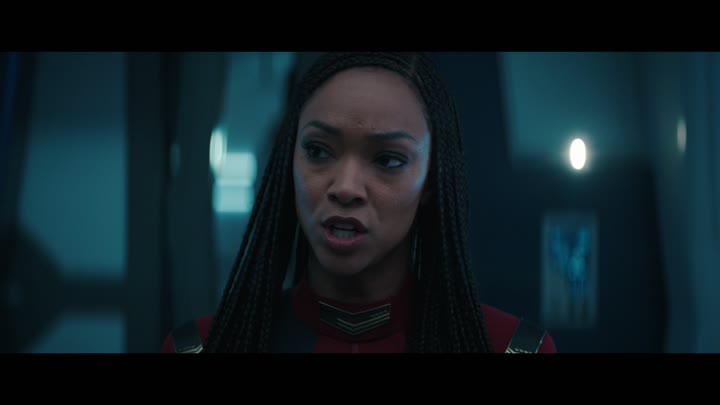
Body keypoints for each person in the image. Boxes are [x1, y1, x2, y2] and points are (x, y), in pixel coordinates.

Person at [162, 52, 557, 353]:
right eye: (318, 151)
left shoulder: (511, 348)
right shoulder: (200, 348)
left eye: (388, 160)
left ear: (431, 181)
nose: (346, 187)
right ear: (288, 162)